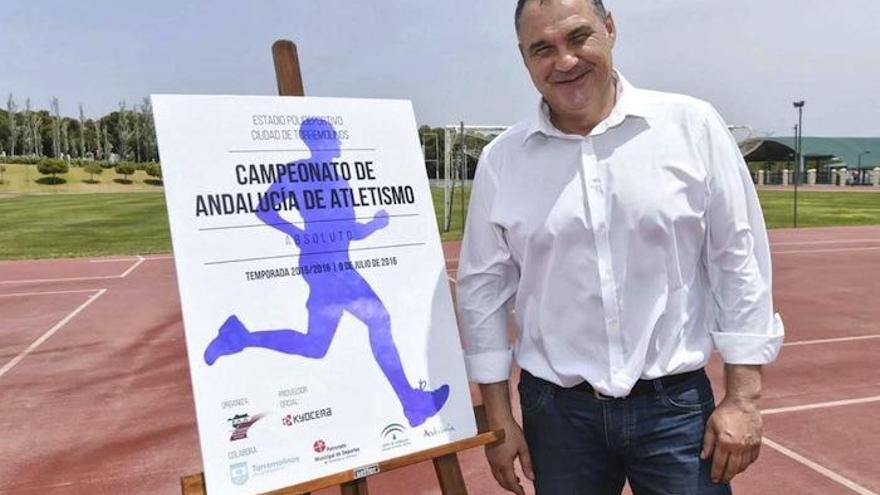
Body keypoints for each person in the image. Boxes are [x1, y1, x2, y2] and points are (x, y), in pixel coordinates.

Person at [456, 1, 784, 494]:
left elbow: (738, 261)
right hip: (558, 416)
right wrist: (499, 422)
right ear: (524, 59)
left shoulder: (691, 127)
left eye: (579, 37)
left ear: (609, 29)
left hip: (675, 410)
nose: (564, 61)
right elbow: (482, 295)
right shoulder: (502, 160)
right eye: (542, 48)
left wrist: (744, 399)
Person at [203, 118, 449, 428]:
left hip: (337, 264)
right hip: (323, 265)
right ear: (317, 141)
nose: (337, 142)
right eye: (331, 137)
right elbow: (265, 207)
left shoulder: (340, 179)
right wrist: (295, 231)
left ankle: (240, 337)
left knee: (316, 345)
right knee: (379, 319)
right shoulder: (296, 172)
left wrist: (374, 225)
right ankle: (412, 403)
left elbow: (349, 232)